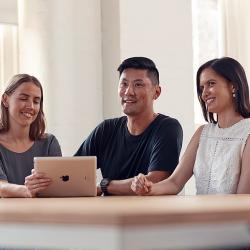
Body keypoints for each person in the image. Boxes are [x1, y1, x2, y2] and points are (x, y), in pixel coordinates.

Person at [131, 57, 250, 195]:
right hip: (200, 215)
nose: (204, 93)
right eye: (201, 87)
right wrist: (149, 188)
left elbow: (244, 200)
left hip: (234, 216)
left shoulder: (247, 134)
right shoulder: (202, 133)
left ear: (233, 85)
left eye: (211, 84)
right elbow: (174, 183)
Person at [75, 57, 183, 195]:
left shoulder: (168, 128)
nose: (128, 92)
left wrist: (105, 185)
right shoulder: (106, 129)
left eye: (138, 85)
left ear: (156, 92)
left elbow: (154, 182)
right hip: (109, 214)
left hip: (150, 214)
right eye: (124, 84)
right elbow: (72, 174)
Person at [0, 74, 62, 198]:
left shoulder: (49, 143)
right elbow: (1, 187)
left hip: (43, 214)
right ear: (5, 100)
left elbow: (58, 186)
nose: (31, 106)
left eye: (36, 101)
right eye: (23, 98)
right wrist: (26, 190)